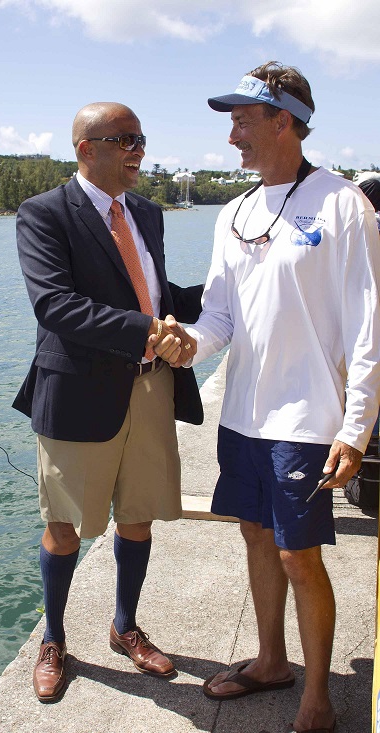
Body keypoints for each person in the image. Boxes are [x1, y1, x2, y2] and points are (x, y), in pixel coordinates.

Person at [153, 62, 380, 733]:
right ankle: (272, 660)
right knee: (255, 538)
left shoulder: (344, 205)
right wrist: (187, 344)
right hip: (243, 417)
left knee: (295, 552)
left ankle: (318, 698)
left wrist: (357, 426)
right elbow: (220, 316)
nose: (232, 136)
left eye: (244, 119)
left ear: (286, 119)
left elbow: (372, 325)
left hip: (308, 419)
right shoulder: (236, 212)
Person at [13, 102, 204, 702]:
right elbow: (55, 306)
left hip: (150, 388)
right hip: (76, 393)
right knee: (63, 525)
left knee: (139, 515)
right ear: (85, 148)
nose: (137, 150)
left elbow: (154, 291)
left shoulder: (146, 212)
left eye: (140, 138)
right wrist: (150, 330)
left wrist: (227, 295)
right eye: (123, 139)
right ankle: (54, 637)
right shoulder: (43, 214)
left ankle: (124, 627)